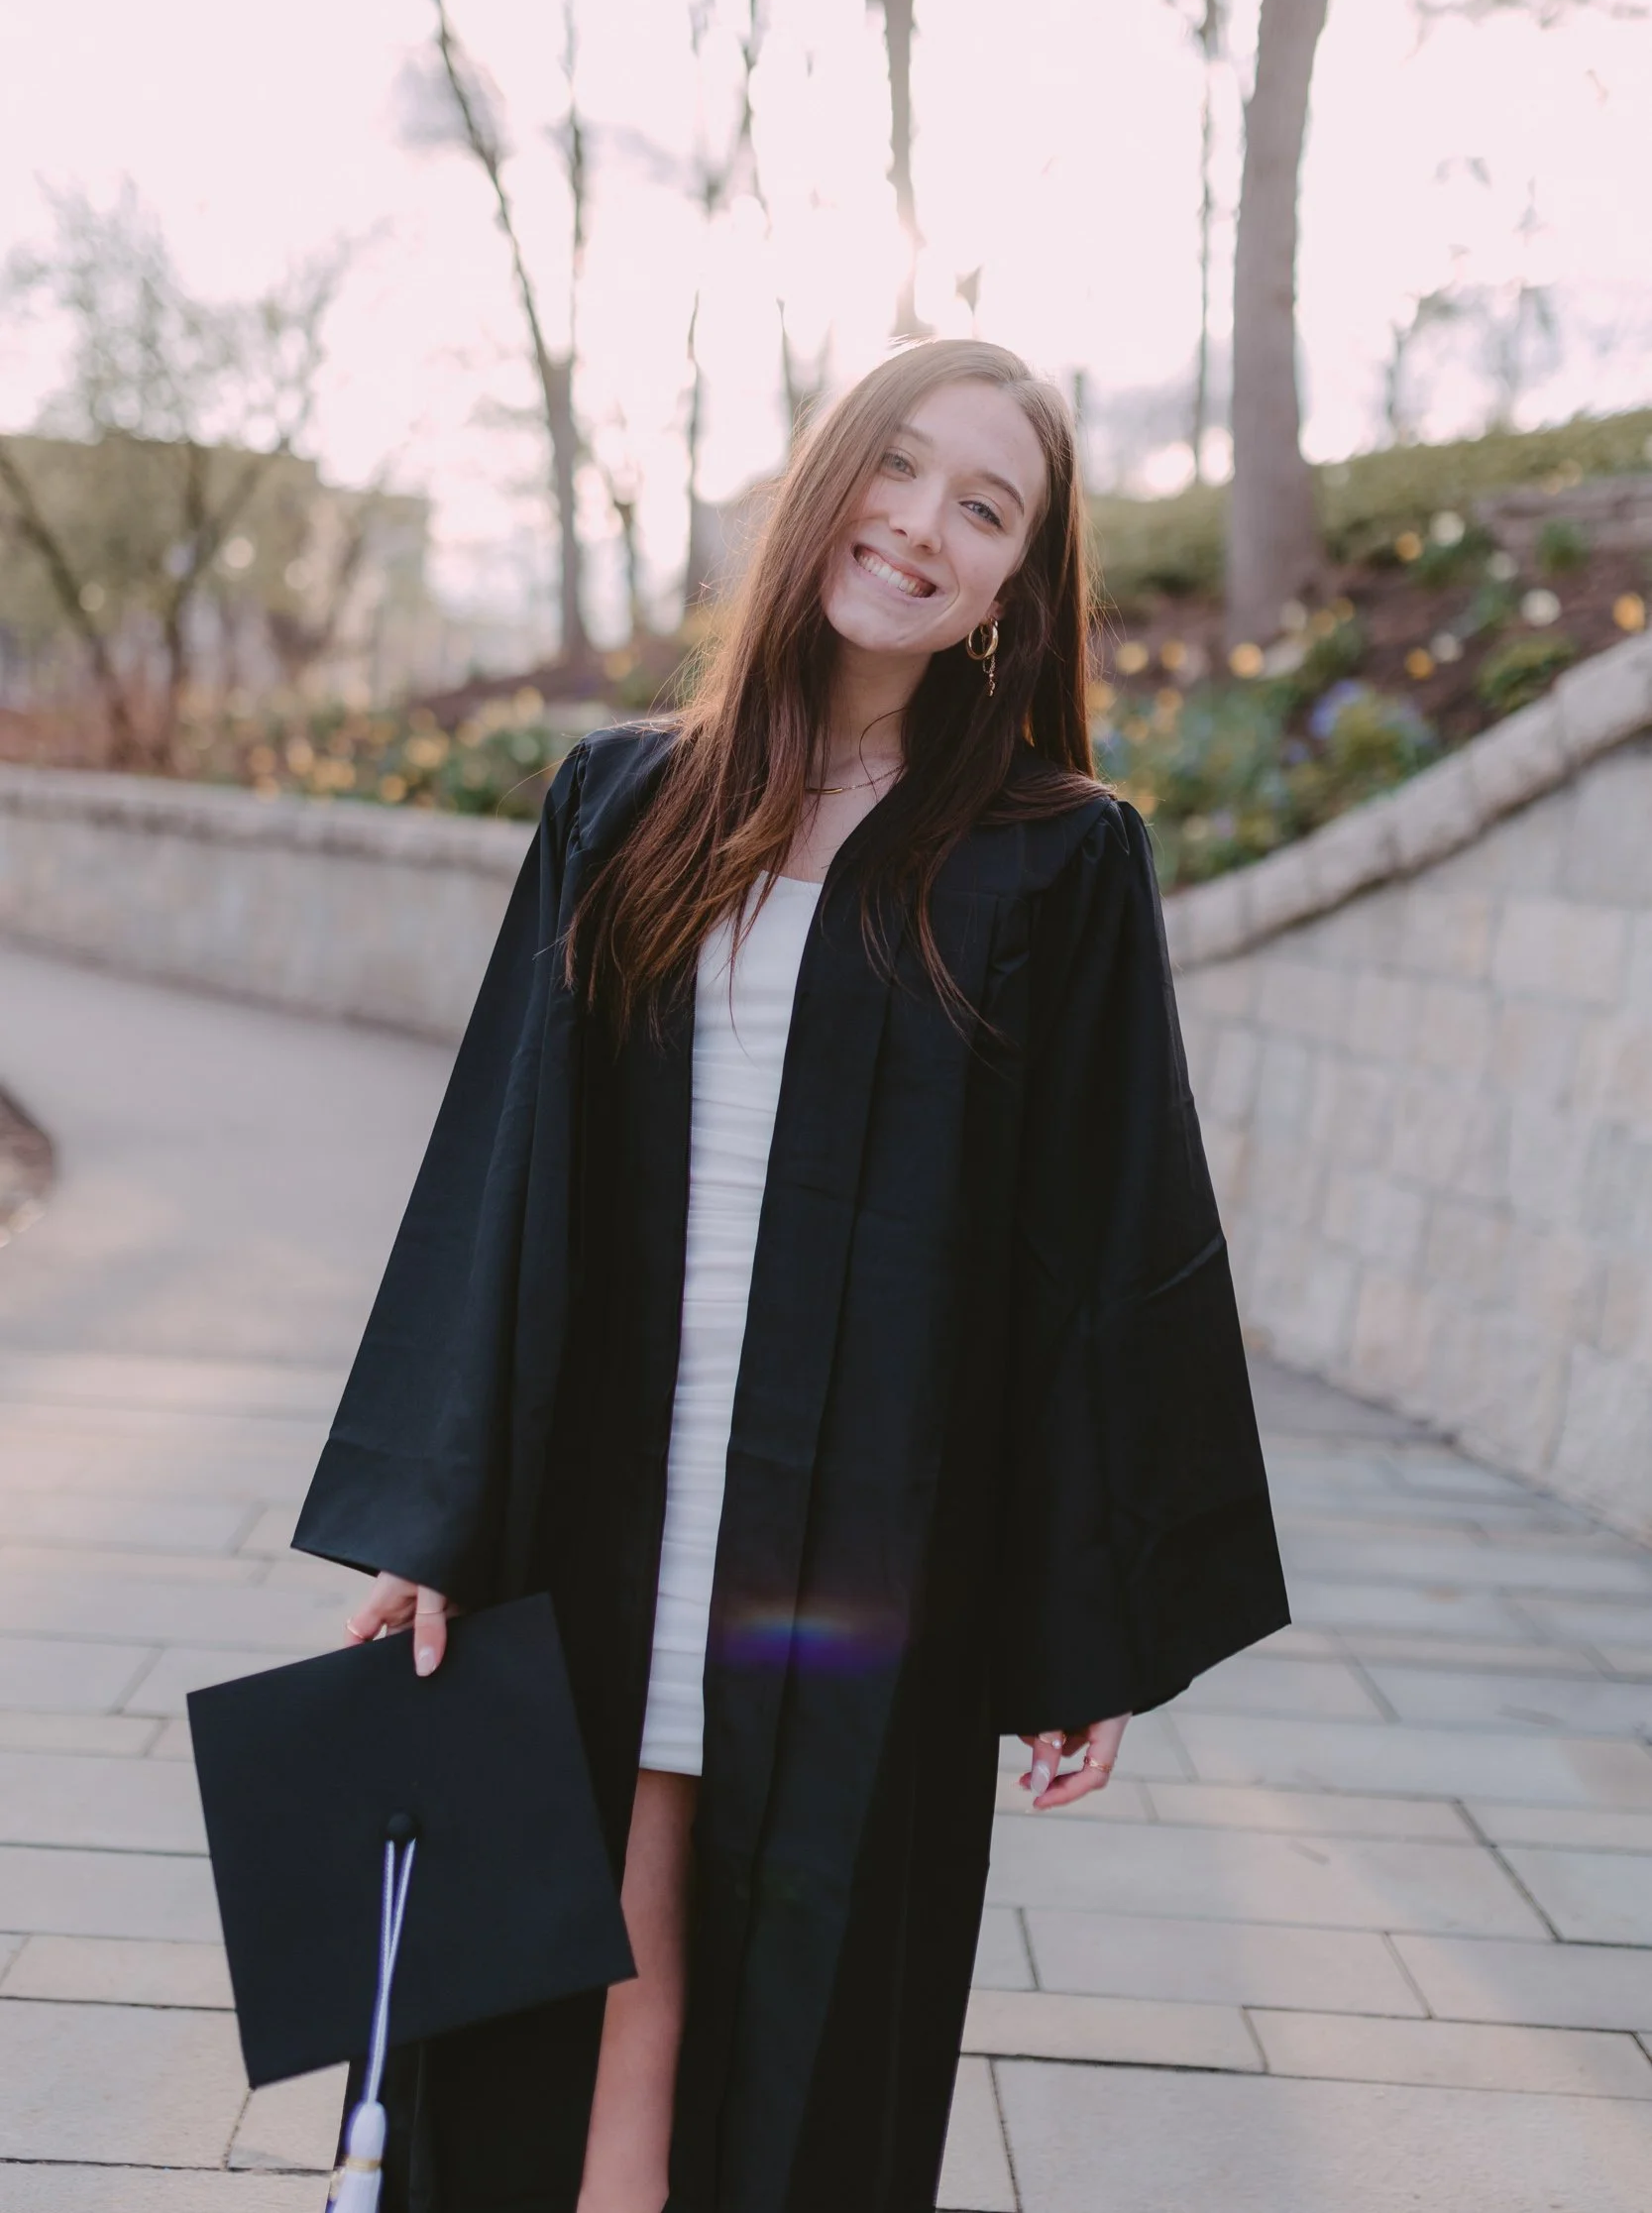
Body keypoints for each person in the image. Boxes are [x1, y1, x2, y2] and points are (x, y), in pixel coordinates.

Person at [294, 339, 1289, 2213]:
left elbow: (1108, 1245)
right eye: (894, 470)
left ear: (1016, 582)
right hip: (599, 1510)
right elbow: (498, 1171)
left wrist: (1083, 1615)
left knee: (774, 2004)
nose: (918, 524)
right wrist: (430, 1514)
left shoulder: (1054, 865)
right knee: (568, 1981)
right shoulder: (621, 803)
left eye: (981, 507)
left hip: (862, 1556)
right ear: (822, 482)